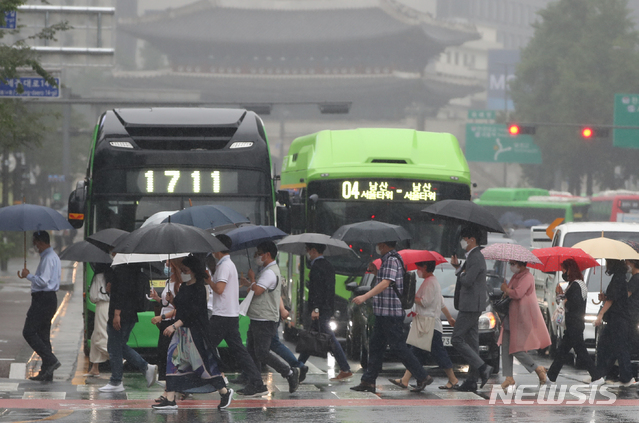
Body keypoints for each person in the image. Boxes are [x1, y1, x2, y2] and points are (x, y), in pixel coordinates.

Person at [153, 255, 233, 410]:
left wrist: (174, 326)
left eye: (186, 270)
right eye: (182, 269)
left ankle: (224, 391)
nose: (183, 272)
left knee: (202, 365)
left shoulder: (199, 289)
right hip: (182, 333)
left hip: (194, 333)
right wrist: (171, 301)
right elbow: (182, 308)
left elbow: (192, 313)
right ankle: (170, 399)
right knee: (172, 361)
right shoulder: (184, 286)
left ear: (194, 270)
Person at [350, 240, 430, 393]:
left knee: (398, 347)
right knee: (376, 346)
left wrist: (365, 296)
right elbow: (386, 281)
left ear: (385, 246)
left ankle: (422, 376)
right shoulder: (388, 261)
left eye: (379, 244)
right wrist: (376, 273)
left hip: (390, 313)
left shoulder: (392, 260)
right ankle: (368, 381)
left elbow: (386, 283)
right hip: (383, 312)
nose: (377, 247)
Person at [205, 234, 268, 397]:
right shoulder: (226, 264)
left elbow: (219, 289)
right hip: (228, 315)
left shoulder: (224, 266)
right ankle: (257, 383)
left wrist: (208, 280)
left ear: (218, 248)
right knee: (239, 352)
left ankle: (205, 379)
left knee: (203, 347)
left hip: (222, 316)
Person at [239, 241, 300, 394]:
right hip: (258, 317)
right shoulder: (266, 270)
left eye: (259, 253)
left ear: (267, 254)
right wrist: (250, 282)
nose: (256, 256)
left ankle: (289, 373)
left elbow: (258, 290)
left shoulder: (270, 272)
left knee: (261, 352)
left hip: (265, 319)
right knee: (252, 351)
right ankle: (255, 383)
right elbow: (259, 289)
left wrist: (252, 279)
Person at [388, 260, 459, 390]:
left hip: (429, 324)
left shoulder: (430, 283)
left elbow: (425, 302)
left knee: (438, 353)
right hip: (427, 323)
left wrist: (410, 297)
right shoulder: (432, 282)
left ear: (425, 267)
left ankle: (453, 379)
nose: (417, 270)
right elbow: (441, 303)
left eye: (419, 268)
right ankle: (405, 380)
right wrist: (449, 318)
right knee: (416, 352)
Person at [297, 243, 353, 382]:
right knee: (311, 337)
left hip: (320, 310)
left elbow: (317, 292)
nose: (307, 254)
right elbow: (328, 290)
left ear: (314, 250)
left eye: (308, 250)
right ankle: (298, 367)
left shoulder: (317, 267)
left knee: (328, 338)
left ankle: (345, 369)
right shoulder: (328, 265)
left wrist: (315, 309)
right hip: (326, 308)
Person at [99, 263, 157, 392]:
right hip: (130, 314)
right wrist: (111, 288)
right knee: (119, 345)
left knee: (114, 347)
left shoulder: (121, 269)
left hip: (121, 315)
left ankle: (116, 381)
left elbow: (122, 293)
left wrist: (117, 314)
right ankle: (146, 368)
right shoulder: (133, 268)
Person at [449, 225, 492, 392]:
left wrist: (460, 273)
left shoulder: (475, 257)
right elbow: (467, 277)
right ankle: (472, 380)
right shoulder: (472, 257)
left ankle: (482, 367)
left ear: (471, 239)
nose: (462, 242)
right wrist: (459, 269)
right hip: (471, 304)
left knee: (457, 339)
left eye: (464, 239)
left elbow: (467, 281)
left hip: (471, 305)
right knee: (472, 343)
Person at [547, 259, 602, 385]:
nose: (563, 272)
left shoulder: (576, 285)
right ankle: (551, 376)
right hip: (574, 324)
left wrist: (564, 300)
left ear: (569, 269)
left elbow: (574, 303)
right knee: (563, 351)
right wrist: (561, 295)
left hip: (574, 324)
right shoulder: (578, 283)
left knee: (580, 353)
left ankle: (597, 377)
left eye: (564, 270)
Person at [498, 260, 551, 390]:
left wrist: (507, 289)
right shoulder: (515, 277)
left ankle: (538, 369)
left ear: (521, 264)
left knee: (516, 348)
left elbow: (518, 293)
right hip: (510, 316)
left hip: (522, 317)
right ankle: (508, 377)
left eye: (513, 263)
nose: (511, 266)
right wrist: (505, 290)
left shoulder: (528, 277)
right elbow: (509, 293)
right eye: (510, 263)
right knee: (506, 346)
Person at [18, 231, 62, 381]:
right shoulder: (50, 256)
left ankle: (51, 360)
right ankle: (47, 372)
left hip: (43, 299)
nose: (35, 247)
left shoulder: (49, 258)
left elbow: (43, 281)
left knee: (29, 332)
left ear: (41, 242)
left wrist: (28, 275)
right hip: (47, 299)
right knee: (43, 335)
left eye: (36, 243)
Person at [593, 259, 635, 386]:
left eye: (607, 262)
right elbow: (612, 297)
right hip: (616, 318)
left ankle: (625, 377)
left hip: (618, 318)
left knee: (615, 347)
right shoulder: (619, 277)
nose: (606, 265)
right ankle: (610, 375)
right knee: (611, 347)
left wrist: (600, 314)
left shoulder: (618, 278)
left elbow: (612, 300)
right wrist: (604, 297)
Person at [149, 260, 180, 382]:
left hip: (171, 322)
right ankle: (164, 379)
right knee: (162, 352)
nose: (166, 267)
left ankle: (169, 379)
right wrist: (157, 298)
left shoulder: (178, 284)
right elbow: (165, 303)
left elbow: (179, 309)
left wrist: (161, 317)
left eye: (168, 264)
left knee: (169, 352)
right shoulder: (168, 281)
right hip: (164, 323)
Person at [85, 262, 112, 377]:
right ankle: (95, 368)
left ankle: (118, 357)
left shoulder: (99, 276)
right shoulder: (112, 275)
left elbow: (92, 295)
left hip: (102, 307)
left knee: (100, 337)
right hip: (111, 306)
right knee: (95, 335)